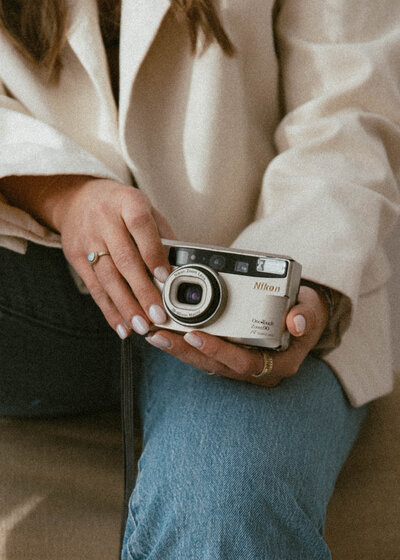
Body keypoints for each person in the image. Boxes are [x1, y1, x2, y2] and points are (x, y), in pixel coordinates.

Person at [0, 0, 399, 558]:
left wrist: (300, 290)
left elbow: (348, 108)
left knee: (224, 504)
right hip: (46, 276)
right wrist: (64, 194)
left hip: (266, 275)